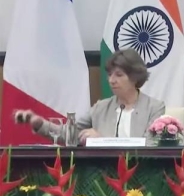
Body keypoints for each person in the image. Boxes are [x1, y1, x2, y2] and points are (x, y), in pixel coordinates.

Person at [14, 49, 165, 145]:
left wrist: (103, 141)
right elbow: (70, 134)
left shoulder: (154, 108)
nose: (111, 80)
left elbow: (152, 145)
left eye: (119, 75)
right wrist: (39, 123)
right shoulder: (101, 107)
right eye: (110, 74)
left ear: (134, 77)